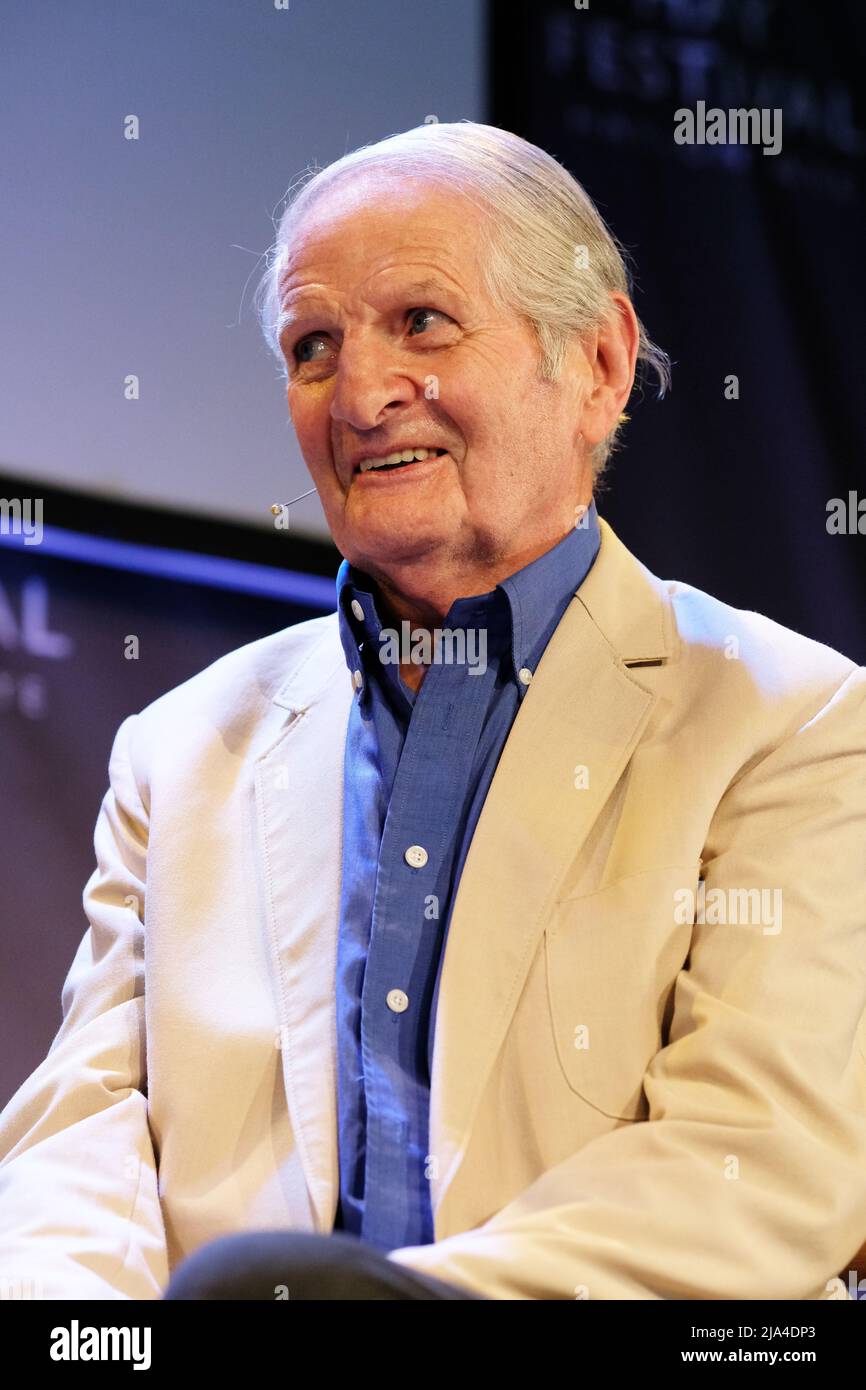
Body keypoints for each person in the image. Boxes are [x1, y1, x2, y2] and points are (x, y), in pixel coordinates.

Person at [1, 121, 865, 1301]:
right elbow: (80, 1136)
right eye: (314, 347)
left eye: (421, 323)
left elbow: (756, 1162)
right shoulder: (179, 750)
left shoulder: (794, 722)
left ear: (598, 365)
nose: (361, 396)